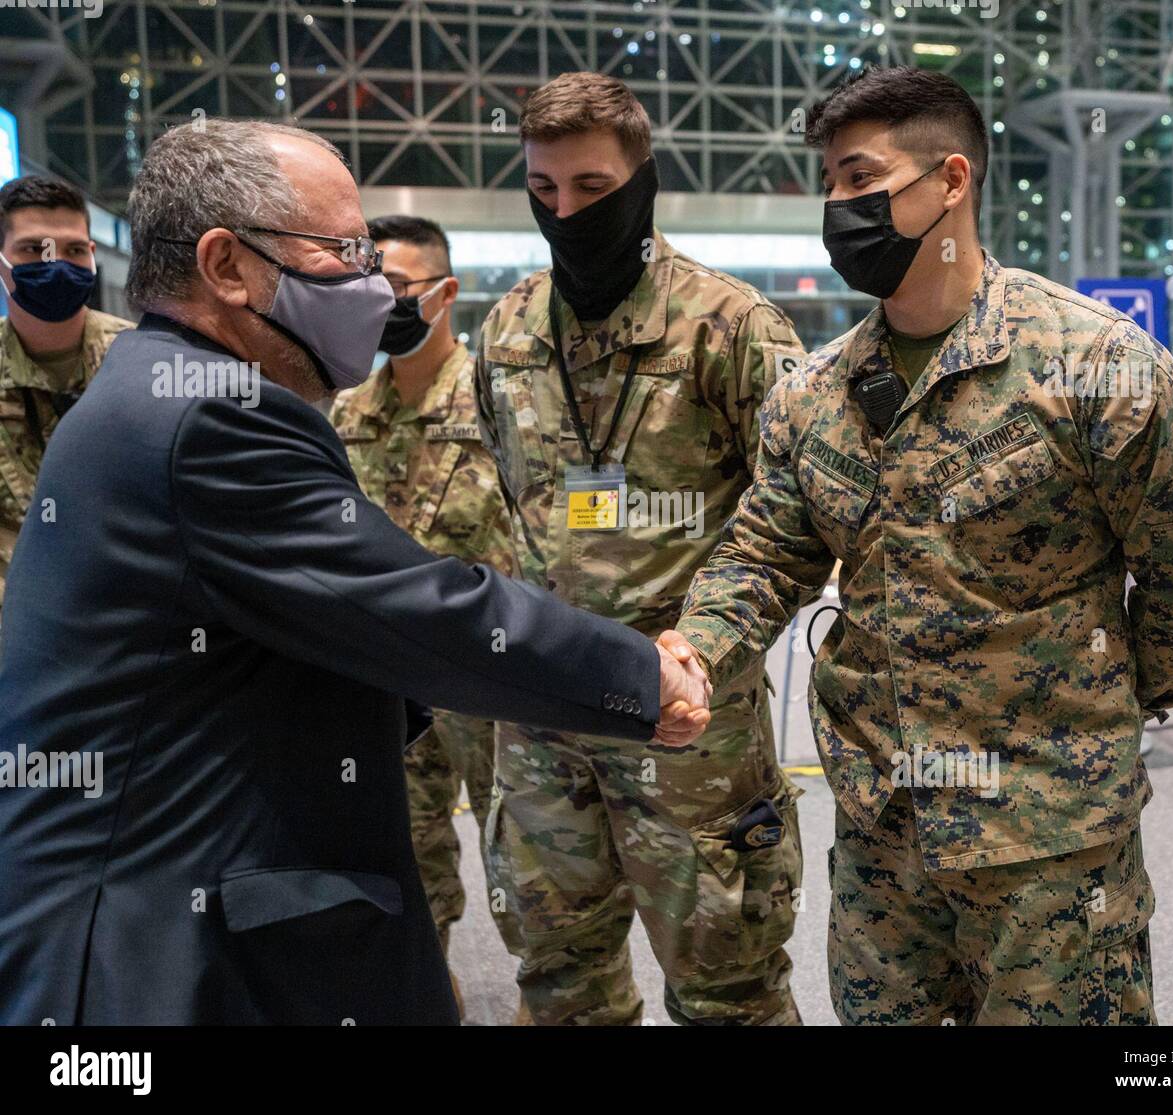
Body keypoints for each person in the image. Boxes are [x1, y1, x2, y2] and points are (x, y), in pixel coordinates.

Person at [0, 118, 711, 1026]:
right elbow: (419, 609)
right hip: (157, 958)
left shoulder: (160, 384)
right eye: (342, 251)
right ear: (226, 266)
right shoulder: (210, 415)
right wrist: (642, 678)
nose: (371, 281)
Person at [662, 66, 1173, 1025]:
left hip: (1048, 839)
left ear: (951, 179)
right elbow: (766, 551)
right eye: (830, 186)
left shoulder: (1093, 364)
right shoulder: (815, 392)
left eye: (862, 179)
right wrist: (695, 644)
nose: (839, 207)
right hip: (881, 825)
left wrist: (1110, 706)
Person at [475, 73, 807, 1026]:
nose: (566, 211)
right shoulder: (506, 332)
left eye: (590, 188)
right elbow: (521, 509)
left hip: (687, 715)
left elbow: (791, 521)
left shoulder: (732, 329)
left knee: (727, 991)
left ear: (643, 180)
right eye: (544, 191)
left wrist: (706, 645)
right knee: (560, 982)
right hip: (542, 716)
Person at [330, 214, 525, 1015]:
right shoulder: (345, 412)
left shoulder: (500, 401)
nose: (381, 300)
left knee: (526, 848)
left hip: (491, 670)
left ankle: (549, 996)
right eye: (368, 283)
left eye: (399, 286)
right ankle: (427, 984)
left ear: (445, 294)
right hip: (389, 673)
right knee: (406, 845)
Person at [0, 175, 132, 612]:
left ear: (92, 257)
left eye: (74, 250)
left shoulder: (143, 363)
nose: (56, 265)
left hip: (124, 630)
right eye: (35, 249)